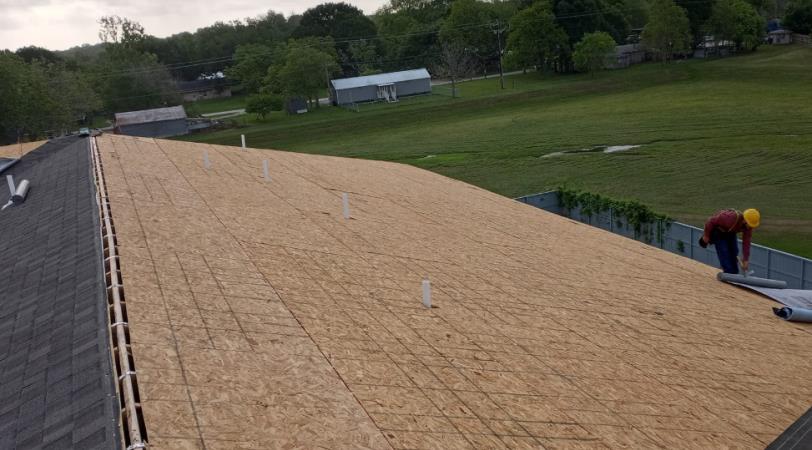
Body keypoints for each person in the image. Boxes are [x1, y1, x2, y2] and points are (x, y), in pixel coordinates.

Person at [699, 208, 760, 274]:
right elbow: (710, 221)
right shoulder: (730, 218)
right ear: (745, 221)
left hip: (730, 232)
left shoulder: (748, 228)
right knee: (724, 252)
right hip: (718, 232)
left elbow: (746, 242)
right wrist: (706, 236)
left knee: (735, 252)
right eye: (750, 225)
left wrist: (745, 259)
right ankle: (728, 273)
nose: (752, 227)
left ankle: (734, 274)